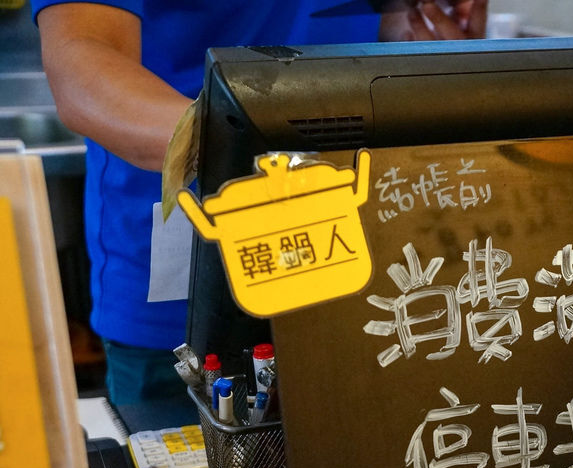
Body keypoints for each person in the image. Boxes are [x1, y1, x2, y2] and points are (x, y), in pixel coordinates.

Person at [33, 0, 487, 406]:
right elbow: (81, 54)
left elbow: (363, 21)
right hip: (187, 275)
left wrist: (420, 34)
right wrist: (239, 146)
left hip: (362, 262)